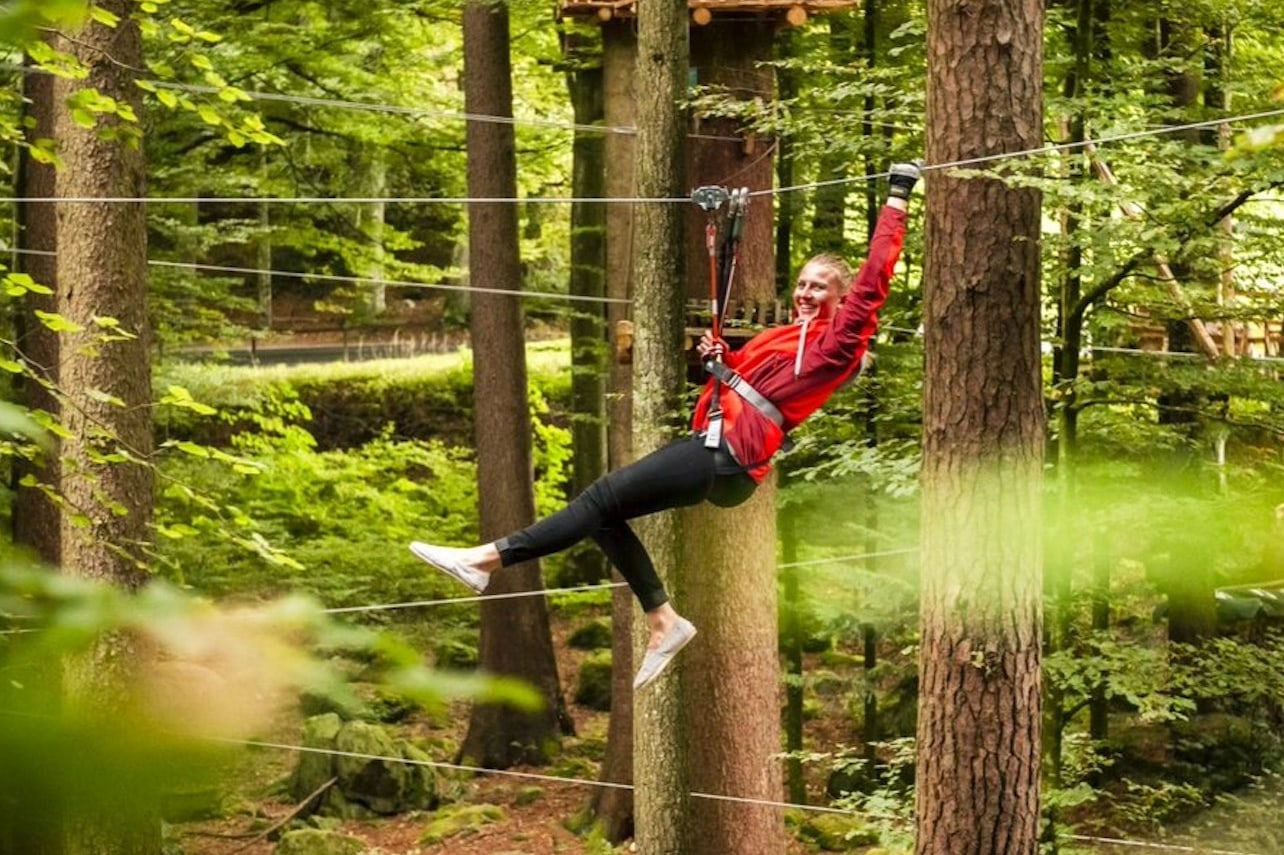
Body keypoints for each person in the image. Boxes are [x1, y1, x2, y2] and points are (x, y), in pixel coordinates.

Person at [411, 160, 922, 690]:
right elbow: (749, 380)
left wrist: (898, 195)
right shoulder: (784, 336)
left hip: (728, 456)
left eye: (820, 288)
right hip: (719, 449)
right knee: (603, 513)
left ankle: (487, 560)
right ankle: (663, 620)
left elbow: (875, 276)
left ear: (841, 302)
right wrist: (720, 359)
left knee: (600, 499)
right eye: (802, 283)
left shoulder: (837, 344)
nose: (806, 293)